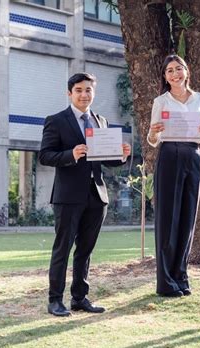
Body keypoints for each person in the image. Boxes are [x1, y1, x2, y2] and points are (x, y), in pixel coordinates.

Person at [39, 72, 131, 316]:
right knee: (63, 249)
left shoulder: (100, 121)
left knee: (85, 251)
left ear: (93, 93)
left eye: (88, 90)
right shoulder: (56, 120)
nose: (84, 94)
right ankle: (55, 300)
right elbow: (45, 155)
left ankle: (80, 298)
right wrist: (71, 154)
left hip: (96, 195)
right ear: (69, 93)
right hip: (68, 196)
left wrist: (121, 155)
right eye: (79, 90)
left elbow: (107, 160)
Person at [148, 54, 200, 297]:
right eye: (169, 71)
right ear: (165, 77)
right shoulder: (161, 101)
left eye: (178, 69)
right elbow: (152, 140)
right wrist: (154, 132)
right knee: (168, 219)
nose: (174, 74)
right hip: (169, 154)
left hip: (193, 155)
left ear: (186, 71)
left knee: (188, 217)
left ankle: (180, 277)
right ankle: (165, 282)